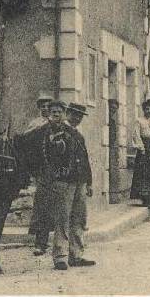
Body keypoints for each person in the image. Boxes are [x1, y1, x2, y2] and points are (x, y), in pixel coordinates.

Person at [43, 101, 95, 270]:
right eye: (74, 114)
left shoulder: (79, 135)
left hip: (80, 181)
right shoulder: (58, 131)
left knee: (79, 219)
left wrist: (89, 182)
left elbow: (85, 160)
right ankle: (60, 257)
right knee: (62, 219)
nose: (77, 118)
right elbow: (51, 156)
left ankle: (76, 255)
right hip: (64, 182)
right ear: (67, 114)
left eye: (80, 116)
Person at [27, 94, 55, 255]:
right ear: (39, 108)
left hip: (56, 169)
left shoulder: (56, 124)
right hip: (42, 169)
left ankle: (62, 243)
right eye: (43, 106)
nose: (45, 108)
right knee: (42, 205)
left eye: (48, 106)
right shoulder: (34, 124)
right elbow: (27, 143)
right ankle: (40, 243)